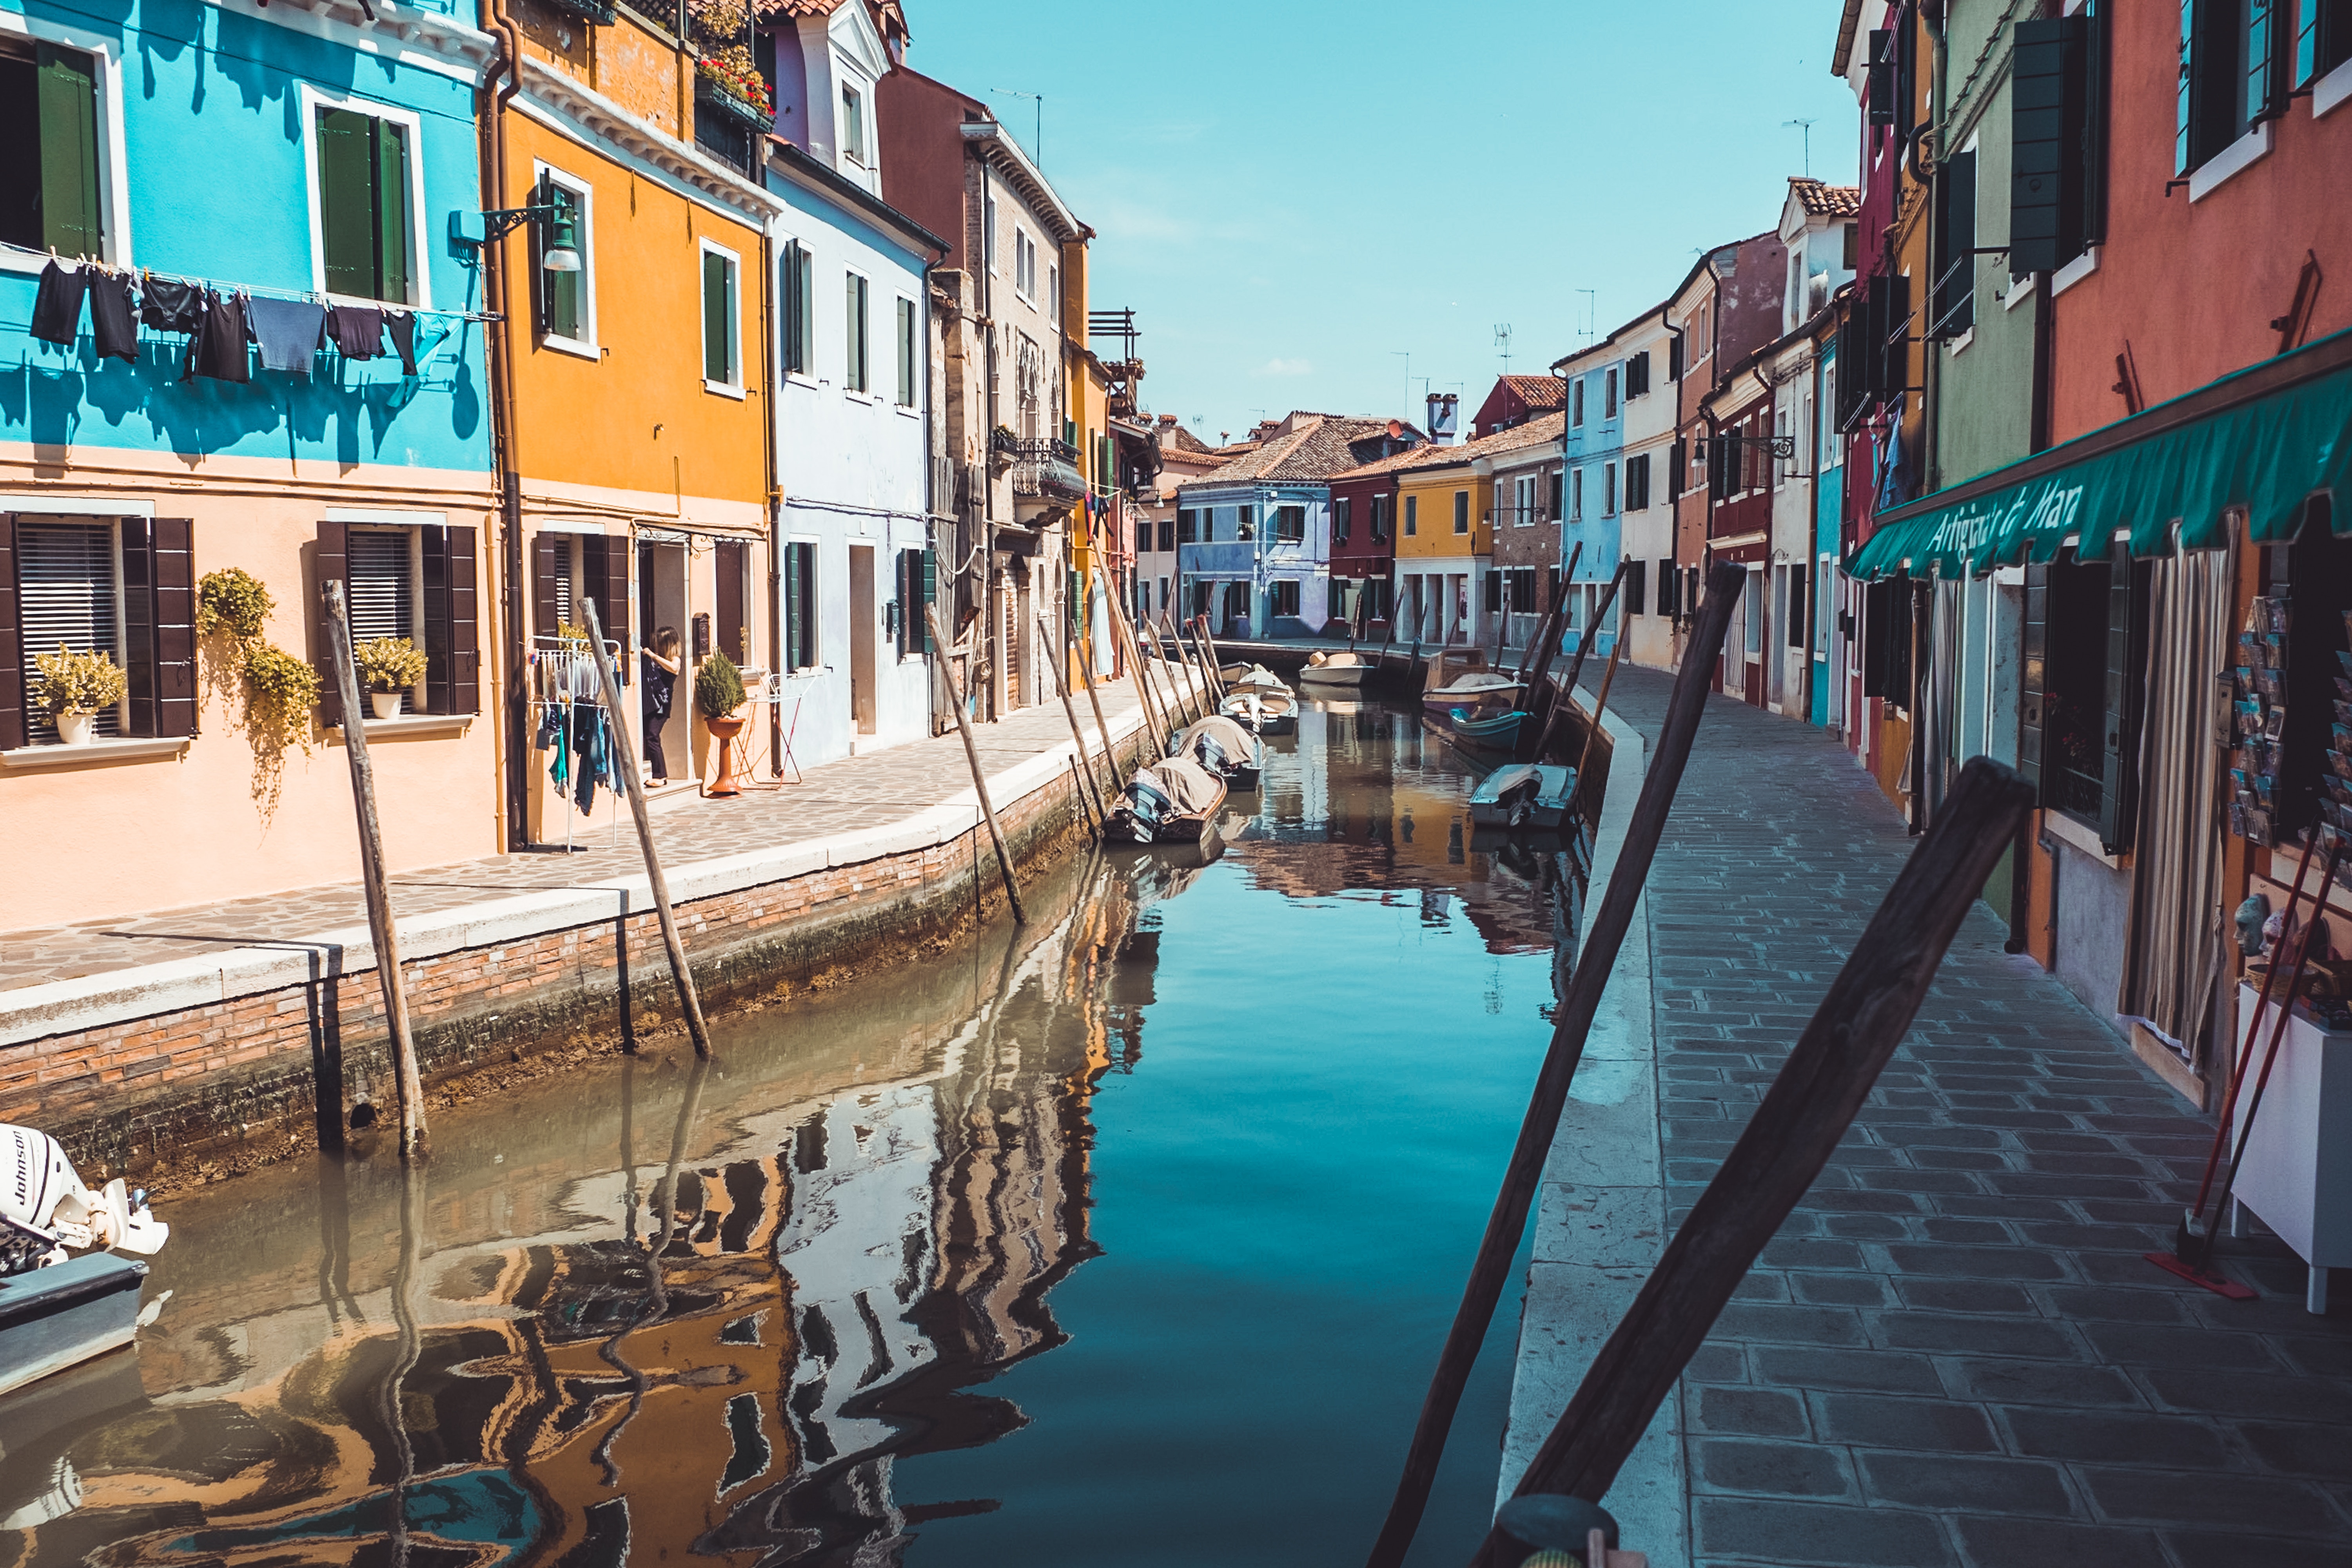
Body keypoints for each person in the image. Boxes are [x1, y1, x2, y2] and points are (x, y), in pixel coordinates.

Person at [641, 627, 682, 783]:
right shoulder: (658, 659)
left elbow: (673, 669)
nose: (656, 645)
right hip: (651, 703)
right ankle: (659, 774)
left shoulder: (675, 659)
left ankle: (660, 776)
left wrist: (653, 656)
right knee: (650, 736)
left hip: (662, 705)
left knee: (653, 736)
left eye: (659, 642)